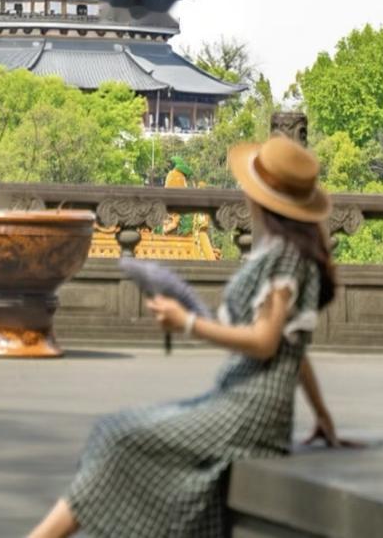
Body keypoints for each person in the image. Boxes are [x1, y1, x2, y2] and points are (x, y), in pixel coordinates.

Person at [25, 133, 341, 538]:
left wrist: (187, 322)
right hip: (240, 399)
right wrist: (323, 415)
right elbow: (294, 348)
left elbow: (266, 343)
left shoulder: (284, 258)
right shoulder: (283, 252)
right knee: (115, 431)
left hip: (251, 413)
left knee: (119, 436)